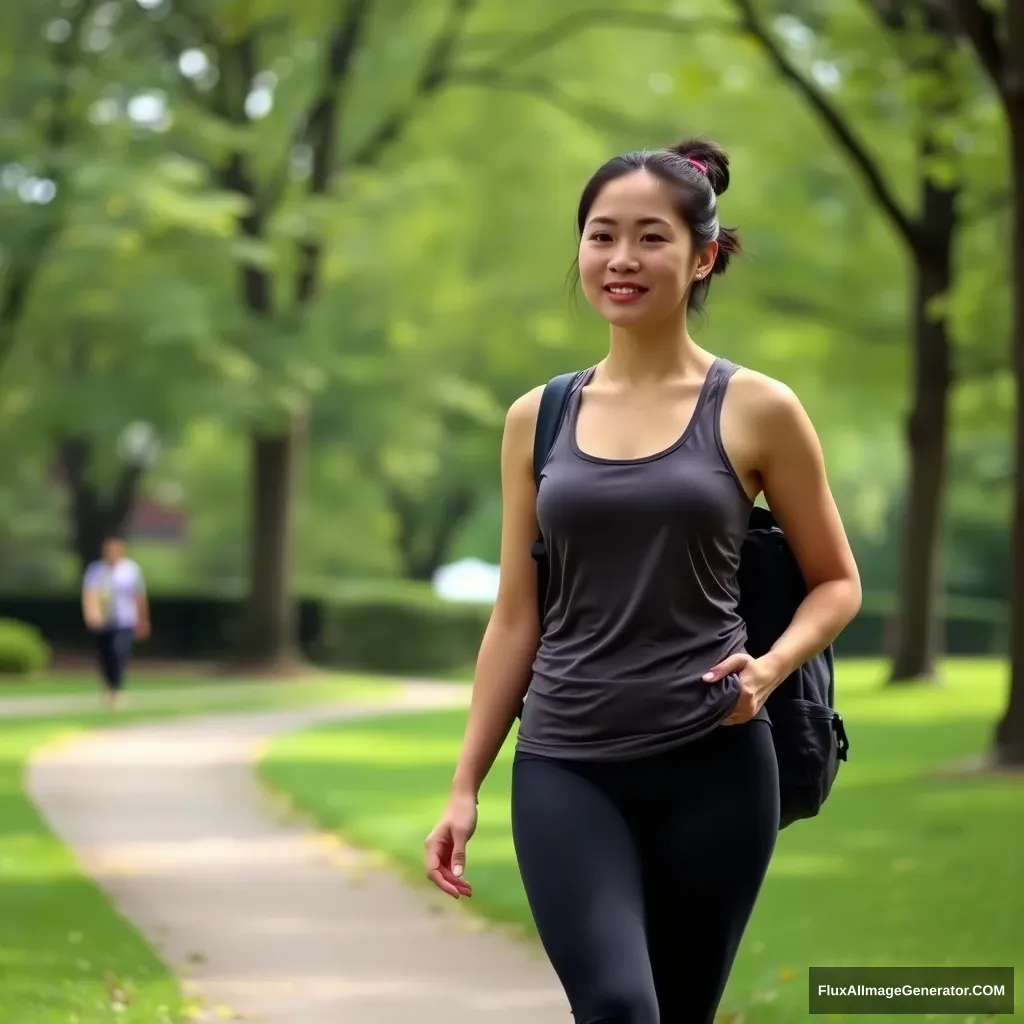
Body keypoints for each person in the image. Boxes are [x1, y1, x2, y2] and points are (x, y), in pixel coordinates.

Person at [423, 136, 863, 1023]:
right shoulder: (536, 419)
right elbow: (516, 618)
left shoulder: (758, 409)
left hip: (718, 765)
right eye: (601, 235)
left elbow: (836, 583)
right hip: (566, 764)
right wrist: (466, 784)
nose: (622, 259)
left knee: (680, 1010)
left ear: (702, 257)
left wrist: (770, 669)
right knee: (621, 1006)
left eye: (651, 237)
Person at [81, 533, 150, 709]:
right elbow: (90, 593)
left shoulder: (131, 570)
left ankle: (117, 689)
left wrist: (143, 619)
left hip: (125, 619)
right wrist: (91, 614)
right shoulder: (96, 569)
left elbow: (139, 596)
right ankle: (107, 685)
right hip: (103, 620)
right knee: (105, 655)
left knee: (119, 652)